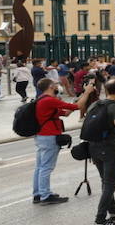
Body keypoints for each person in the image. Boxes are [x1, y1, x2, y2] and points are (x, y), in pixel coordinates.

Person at [81, 77, 115, 225]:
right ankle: (99, 221)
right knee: (109, 184)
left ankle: (113, 211)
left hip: (93, 147)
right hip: (109, 148)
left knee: (105, 180)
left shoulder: (95, 104)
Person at [31, 77, 79, 206]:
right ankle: (45, 196)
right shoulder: (49, 100)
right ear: (51, 86)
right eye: (55, 85)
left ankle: (38, 194)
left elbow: (66, 113)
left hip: (41, 136)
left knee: (40, 167)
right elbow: (76, 107)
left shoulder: (41, 99)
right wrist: (85, 94)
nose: (57, 86)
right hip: (49, 136)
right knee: (46, 167)